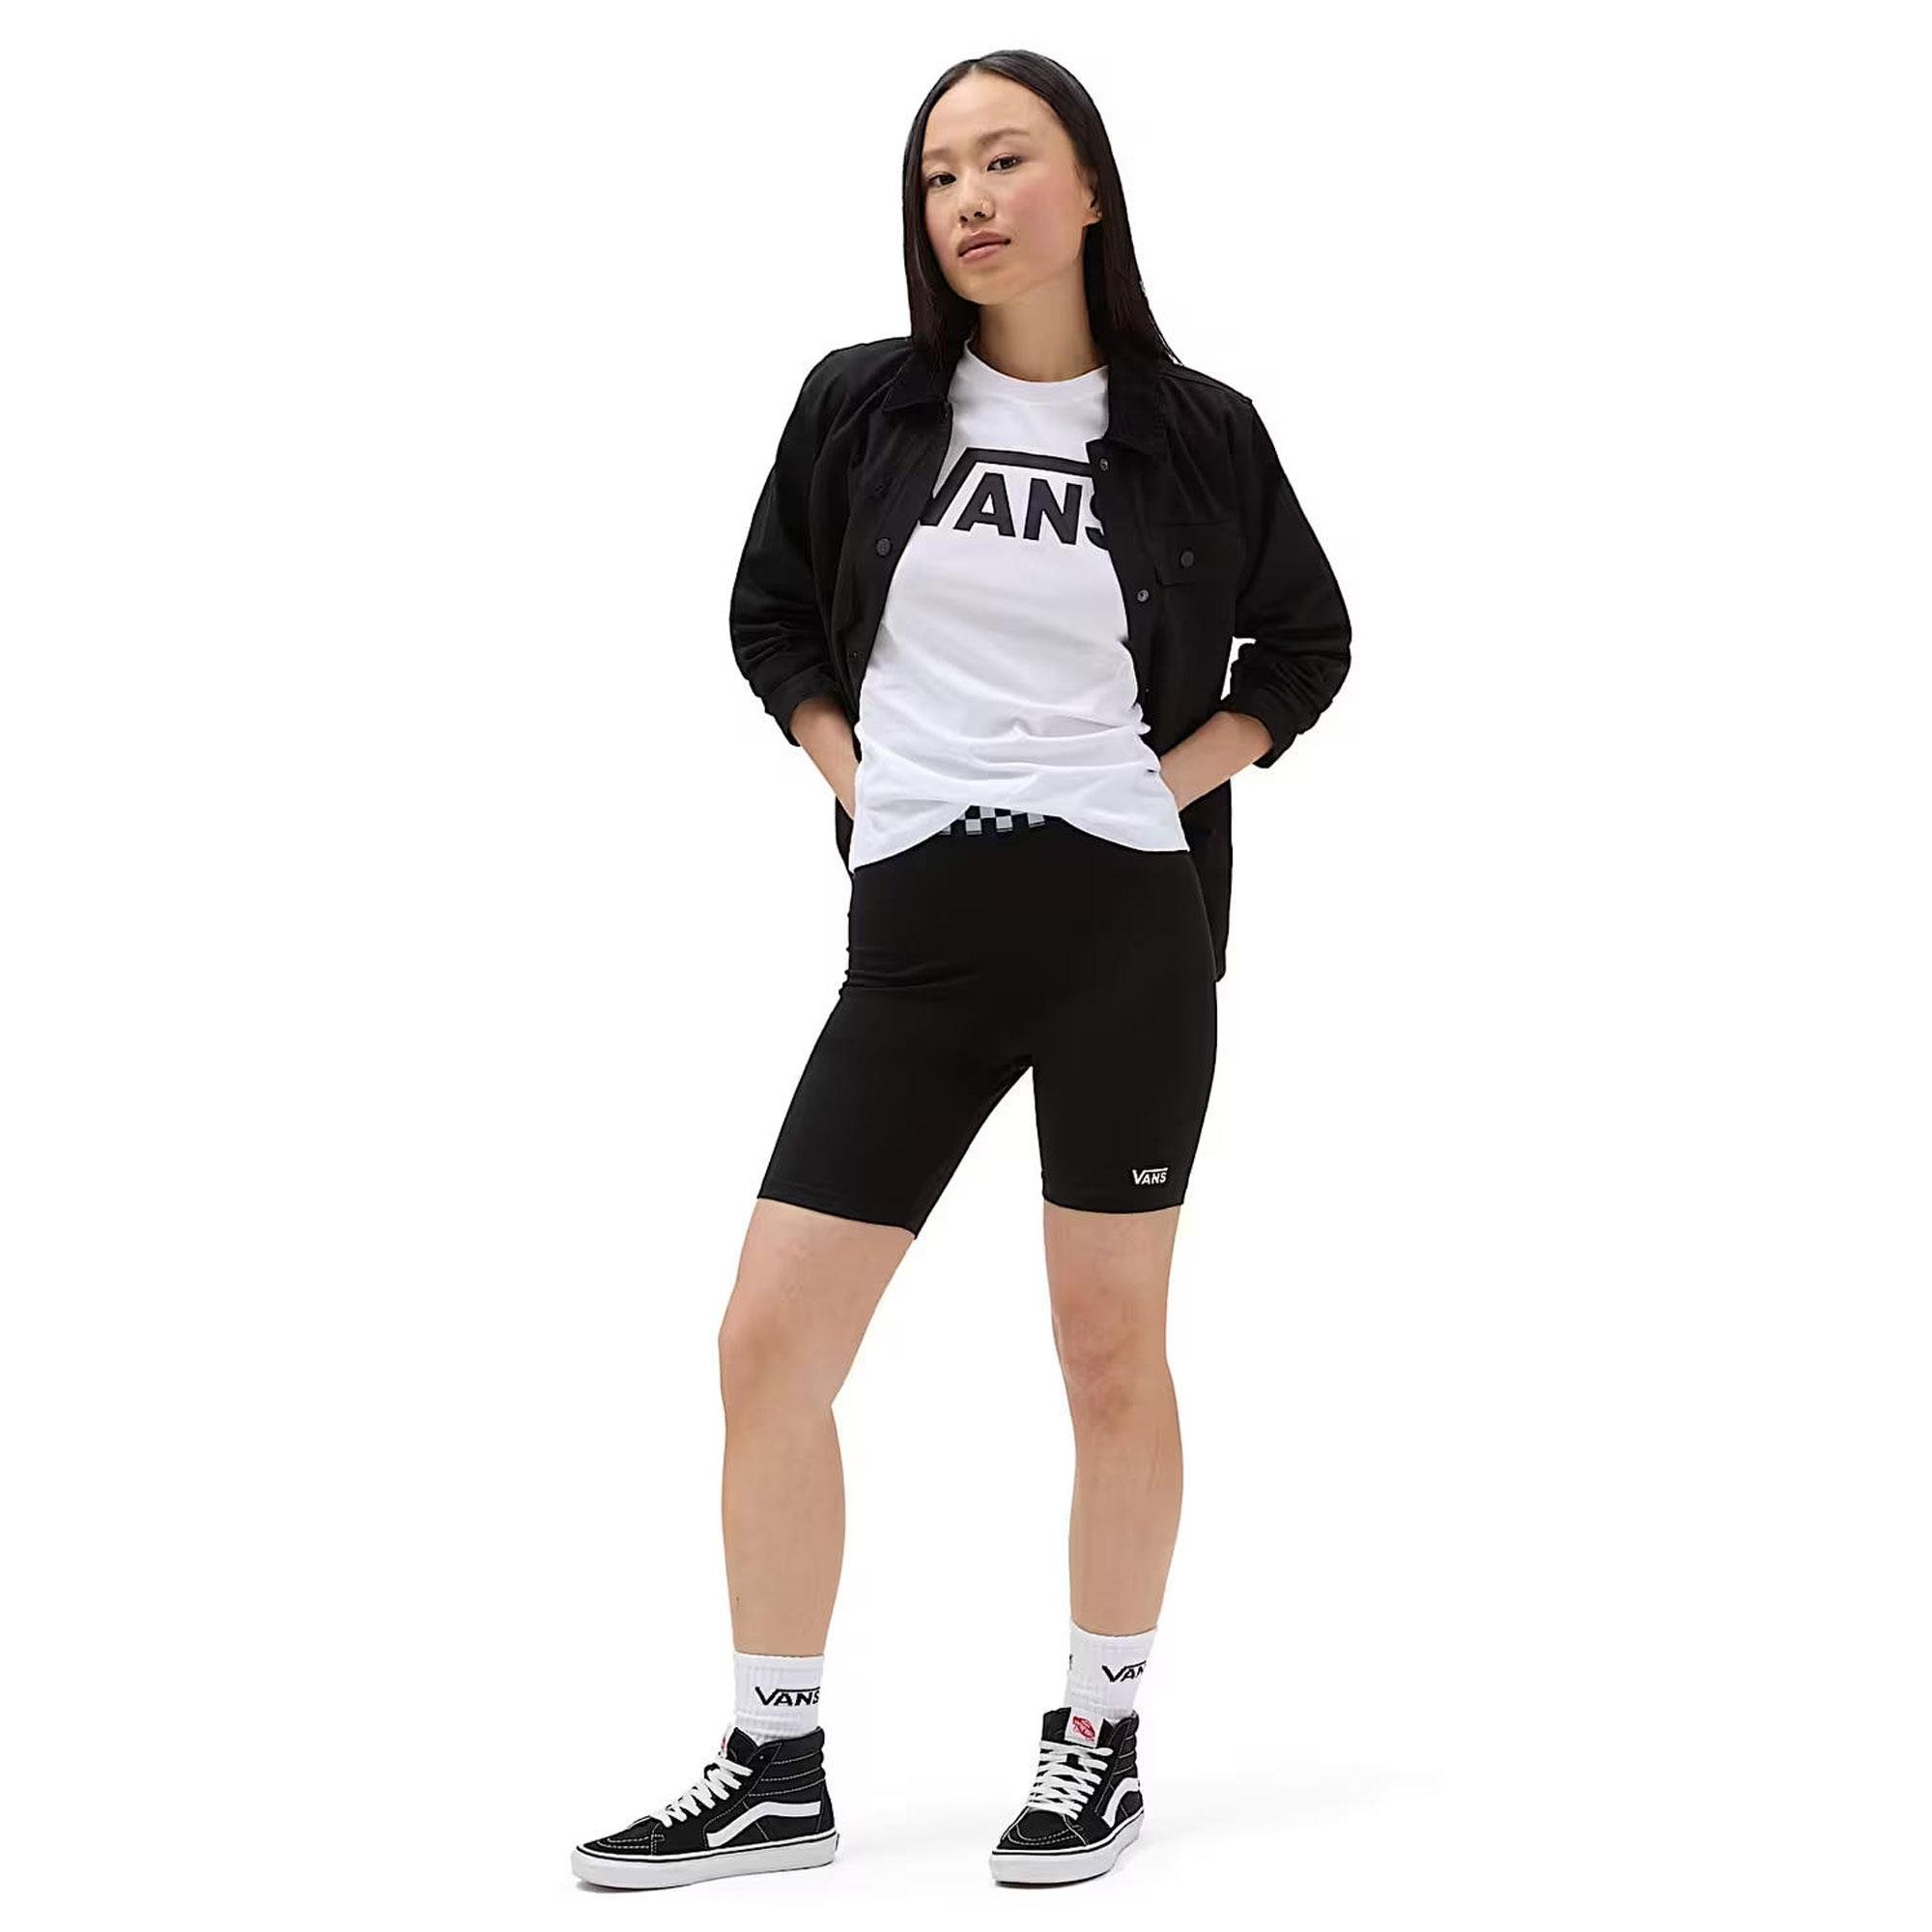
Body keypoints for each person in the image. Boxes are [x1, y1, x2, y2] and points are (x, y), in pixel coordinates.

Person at [572, 46, 1350, 1892]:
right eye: (938, 176)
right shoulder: (861, 406)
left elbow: (1308, 639)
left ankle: (1100, 1740)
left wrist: (1167, 783)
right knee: (769, 1343)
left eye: (1005, 160)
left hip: (1123, 929)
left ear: (1091, 188)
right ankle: (775, 1765)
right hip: (918, 929)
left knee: (1108, 1348)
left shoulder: (1201, 429)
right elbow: (770, 612)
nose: (969, 201)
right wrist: (858, 774)